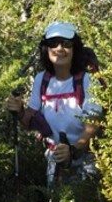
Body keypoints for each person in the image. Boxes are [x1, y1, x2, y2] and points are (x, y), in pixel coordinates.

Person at [6, 21, 102, 187]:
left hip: (87, 159)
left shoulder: (88, 81)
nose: (59, 48)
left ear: (75, 49)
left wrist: (72, 150)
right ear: (46, 48)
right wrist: (20, 111)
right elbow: (30, 120)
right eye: (53, 43)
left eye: (66, 43)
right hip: (55, 158)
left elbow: (91, 126)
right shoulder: (41, 80)